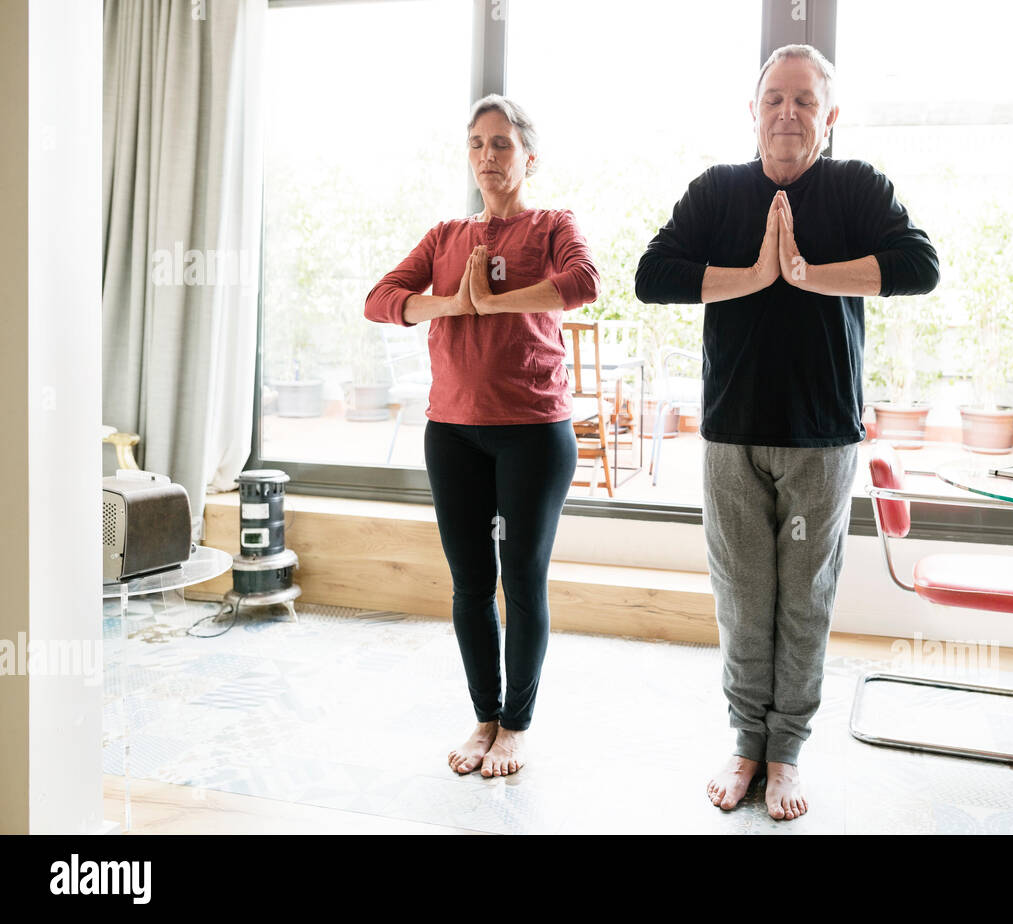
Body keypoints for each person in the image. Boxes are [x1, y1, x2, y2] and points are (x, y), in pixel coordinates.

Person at [635, 45, 939, 820]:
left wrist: (807, 273)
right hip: (733, 432)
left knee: (804, 598)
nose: (787, 112)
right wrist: (754, 277)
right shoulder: (718, 192)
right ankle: (746, 745)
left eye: (805, 101)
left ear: (829, 116)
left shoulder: (856, 187)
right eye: (774, 97)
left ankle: (787, 753)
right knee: (743, 599)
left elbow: (920, 265)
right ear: (752, 110)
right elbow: (652, 275)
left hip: (822, 436)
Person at [364, 95, 599, 778]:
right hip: (454, 435)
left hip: (532, 431)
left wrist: (495, 303)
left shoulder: (554, 224)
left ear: (529, 156)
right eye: (476, 144)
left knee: (521, 582)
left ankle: (517, 727)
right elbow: (381, 298)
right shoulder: (445, 237)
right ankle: (484, 718)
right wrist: (452, 303)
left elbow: (583, 282)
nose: (488, 157)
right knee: (471, 583)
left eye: (501, 144)